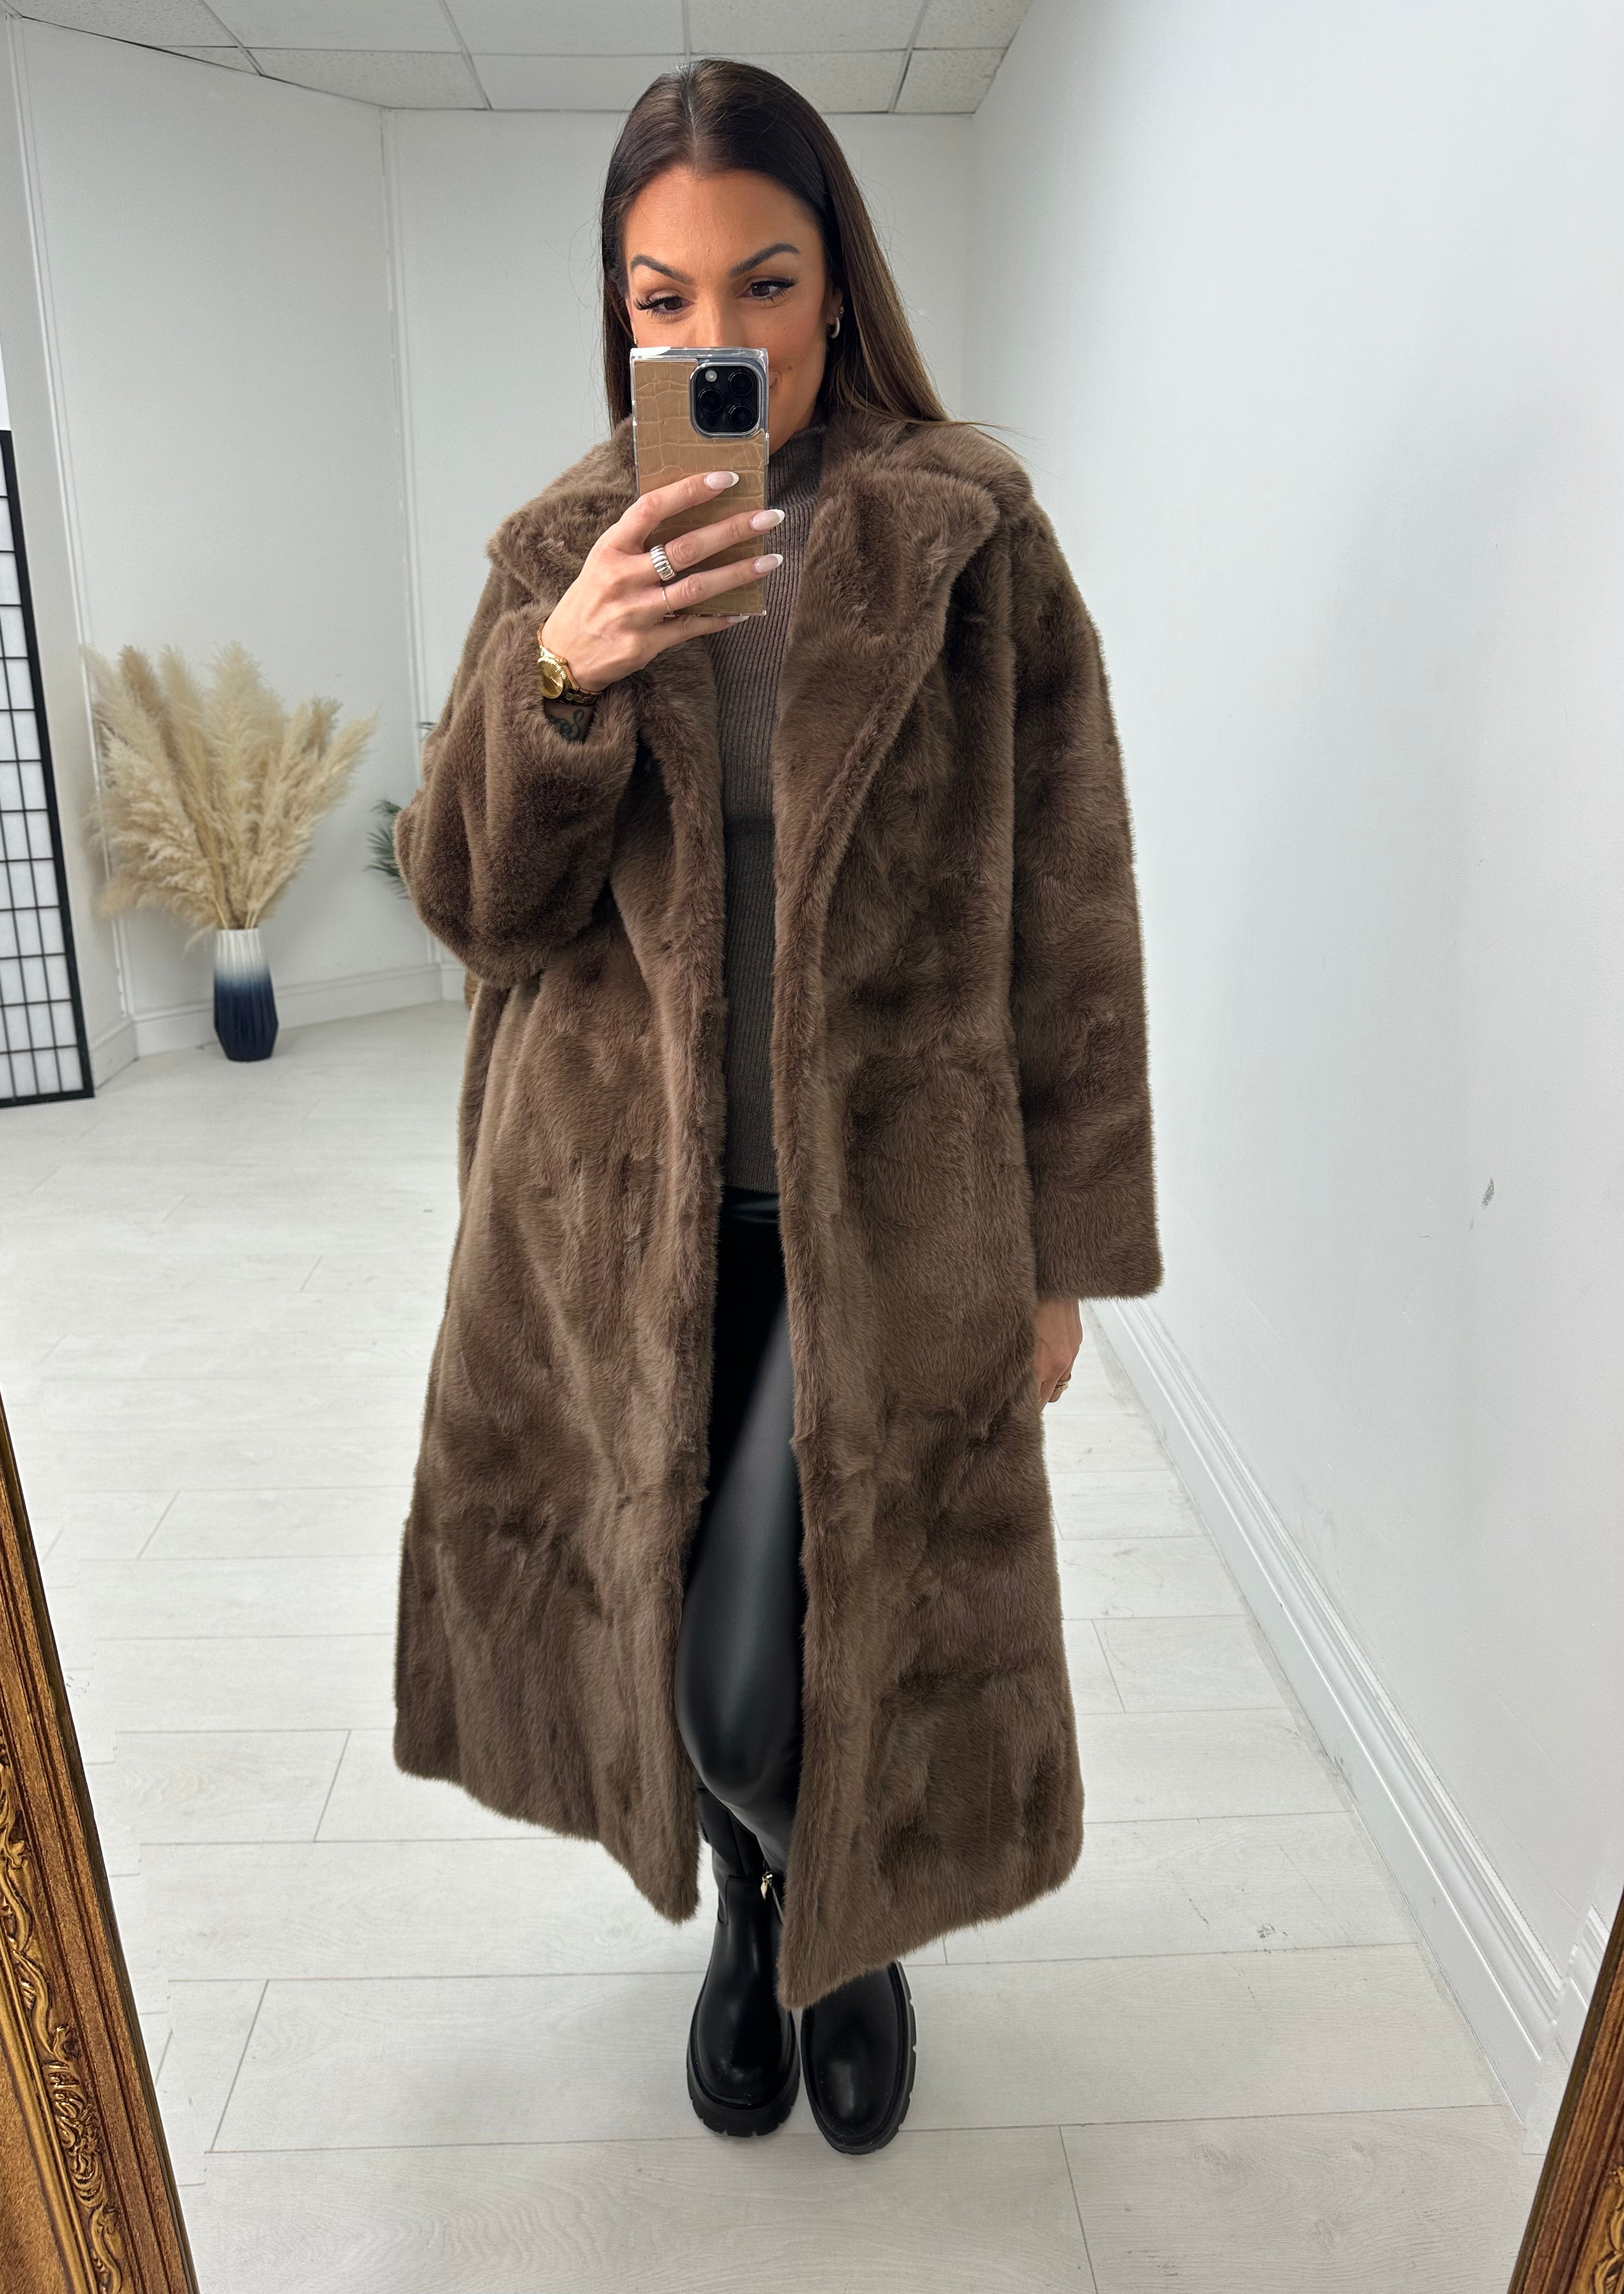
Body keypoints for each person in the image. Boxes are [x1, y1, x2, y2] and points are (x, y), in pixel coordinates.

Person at [391, 59, 1164, 2159]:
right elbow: (473, 908)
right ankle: (768, 1917)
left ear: (840, 282)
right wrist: (562, 676)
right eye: (663, 298)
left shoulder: (968, 540)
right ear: (619, 307)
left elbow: (1072, 909)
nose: (716, 336)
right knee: (669, 1642)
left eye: (765, 281)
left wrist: (1067, 1256)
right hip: (609, 1219)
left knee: (771, 1675)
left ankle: (832, 1935)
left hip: (886, 1218)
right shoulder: (563, 555)